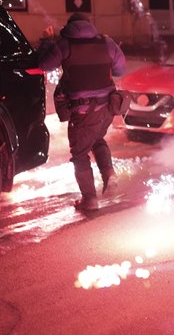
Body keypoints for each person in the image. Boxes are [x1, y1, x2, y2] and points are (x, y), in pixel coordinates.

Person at [39, 13, 126, 211]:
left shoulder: (64, 44)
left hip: (83, 110)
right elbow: (121, 70)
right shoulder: (106, 42)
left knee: (79, 154)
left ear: (70, 26)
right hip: (108, 107)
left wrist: (46, 41)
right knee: (97, 139)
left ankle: (89, 200)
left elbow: (44, 64)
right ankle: (109, 174)